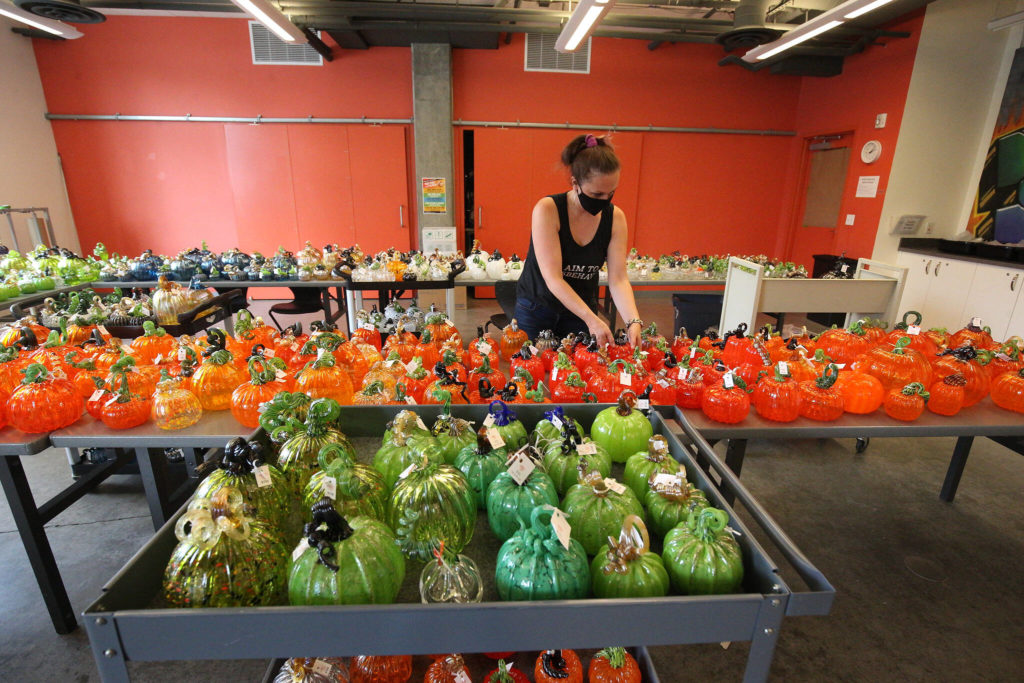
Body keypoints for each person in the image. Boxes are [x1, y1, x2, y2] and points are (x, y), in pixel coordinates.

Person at [514, 133, 643, 348]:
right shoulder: (548, 210)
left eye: (611, 193)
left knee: (579, 374)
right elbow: (553, 278)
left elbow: (618, 278)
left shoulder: (615, 218)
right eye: (596, 194)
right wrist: (592, 319)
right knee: (531, 369)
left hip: (580, 310)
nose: (604, 201)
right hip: (537, 308)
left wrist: (633, 320)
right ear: (575, 183)